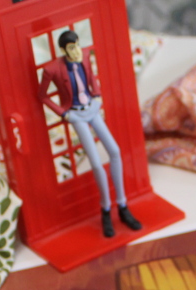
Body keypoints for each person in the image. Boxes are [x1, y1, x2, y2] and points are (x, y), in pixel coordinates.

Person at [38, 29, 141, 238]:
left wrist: (98, 95)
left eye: (77, 45)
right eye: (71, 47)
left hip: (92, 109)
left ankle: (122, 205)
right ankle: (106, 209)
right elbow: (43, 95)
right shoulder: (52, 69)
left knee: (115, 151)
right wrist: (64, 113)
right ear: (63, 50)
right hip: (76, 114)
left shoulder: (84, 55)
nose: (76, 50)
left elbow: (91, 77)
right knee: (95, 162)